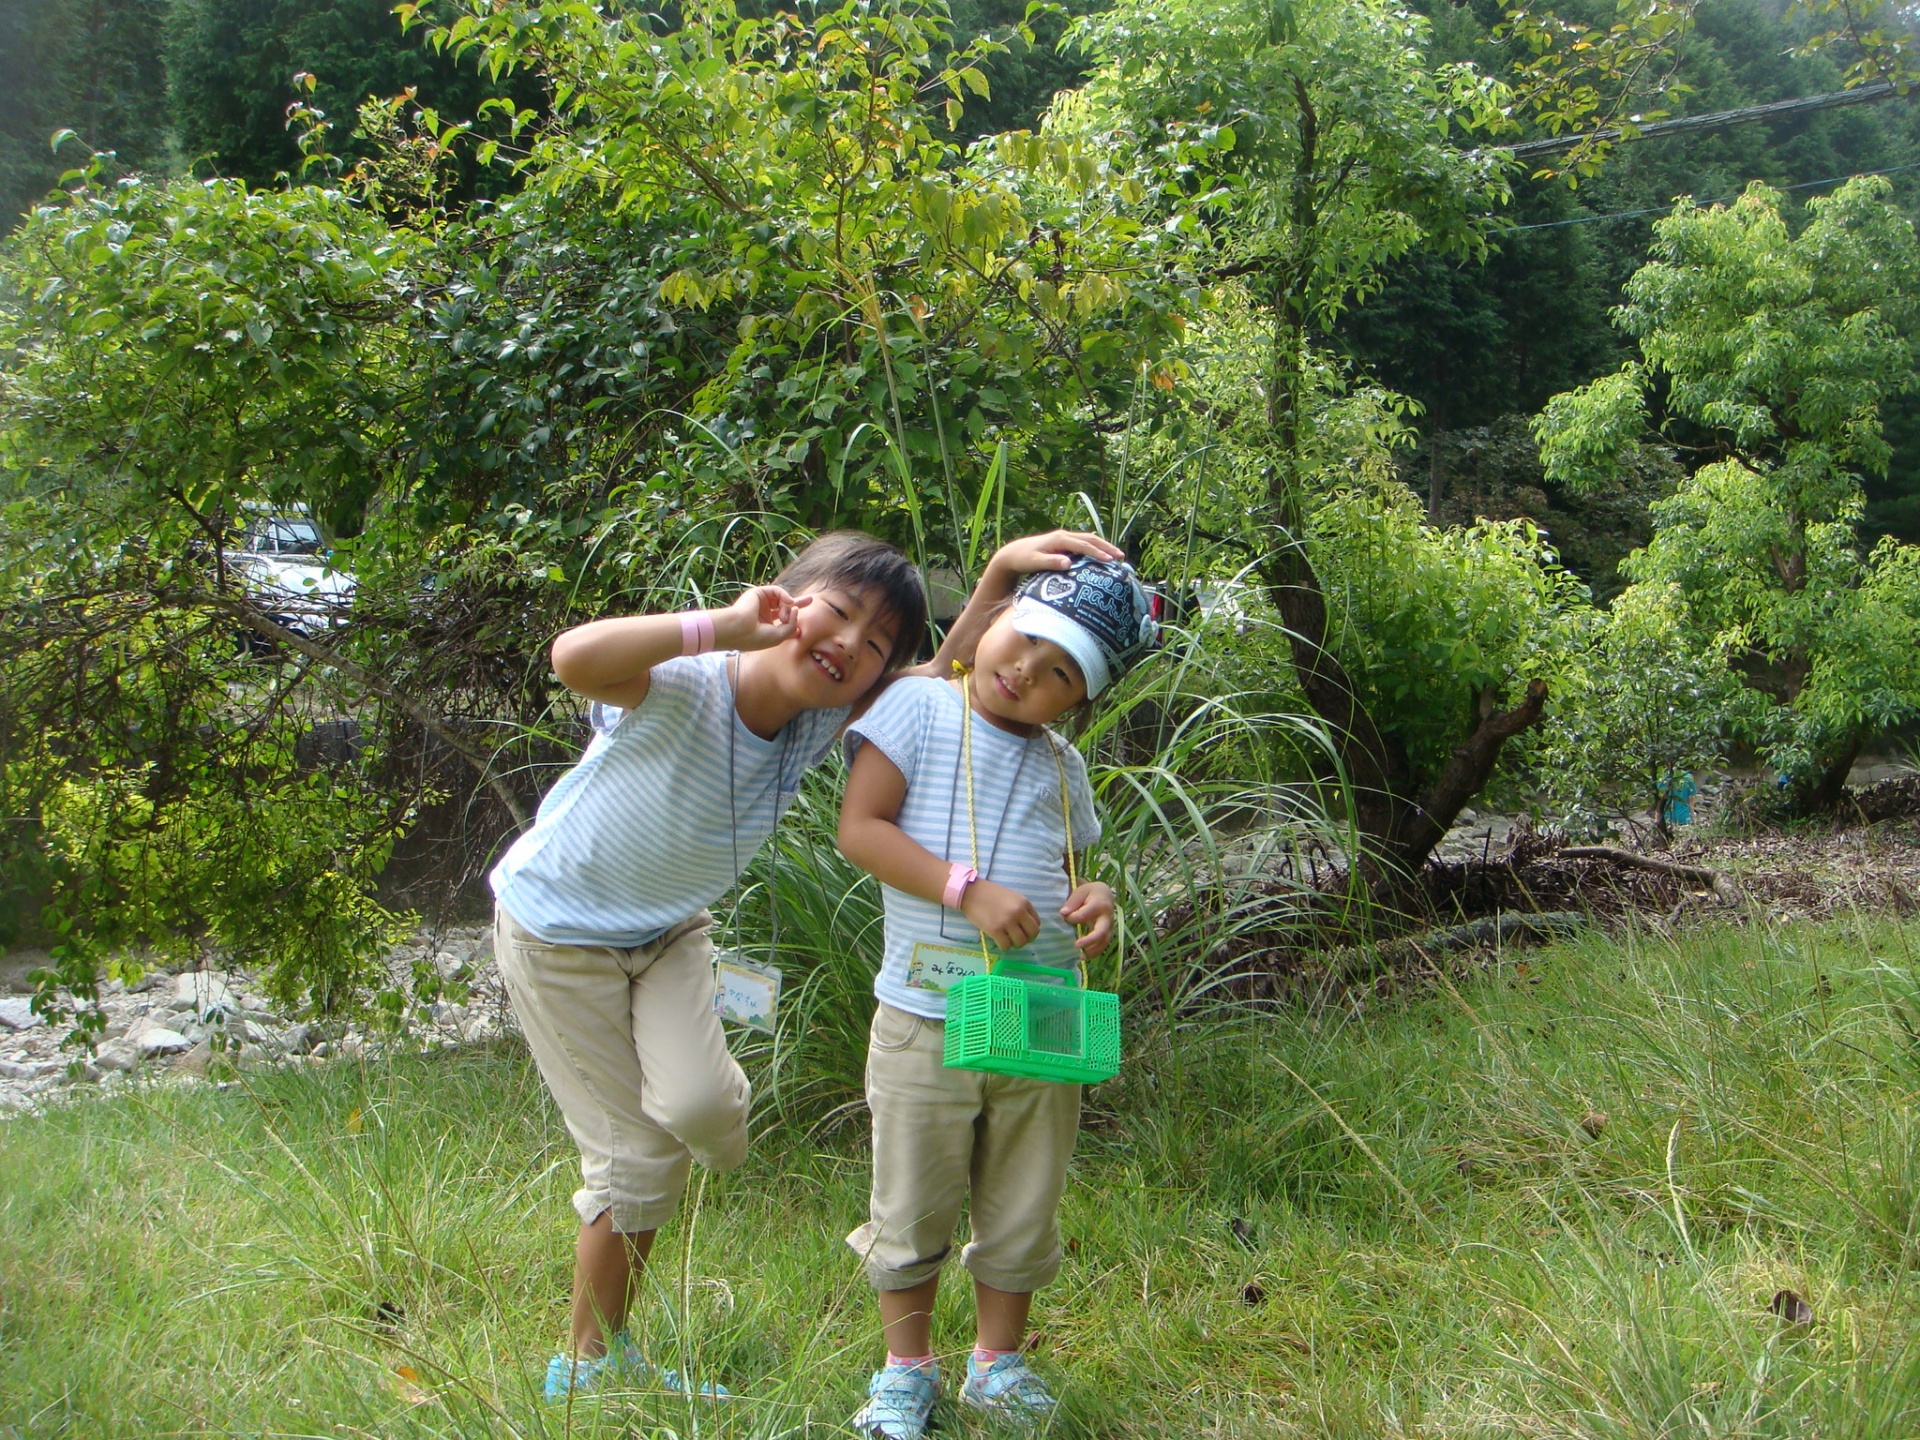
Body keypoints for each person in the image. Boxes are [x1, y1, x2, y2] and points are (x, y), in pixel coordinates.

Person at [488, 528, 1122, 1400]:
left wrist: (997, 577)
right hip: (557, 932)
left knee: (707, 1116)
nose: (847, 648)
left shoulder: (831, 717)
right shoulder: (685, 678)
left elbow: (943, 682)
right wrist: (722, 624)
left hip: (671, 934)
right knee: (638, 1161)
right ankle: (591, 1365)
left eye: (872, 648)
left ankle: (667, 1142)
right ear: (786, 596)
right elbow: (573, 657)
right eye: (838, 614)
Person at [836, 556, 1158, 1438]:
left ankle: (998, 1364)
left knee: (1025, 1196)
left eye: (1063, 674)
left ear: (1077, 703)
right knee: (911, 1199)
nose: (1028, 671)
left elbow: (1070, 877)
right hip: (924, 1012)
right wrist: (963, 889)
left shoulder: (1066, 769)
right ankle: (906, 1370)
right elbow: (859, 830)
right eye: (1027, 641)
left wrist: (1099, 902)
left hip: (1041, 1010)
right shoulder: (919, 707)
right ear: (993, 624)